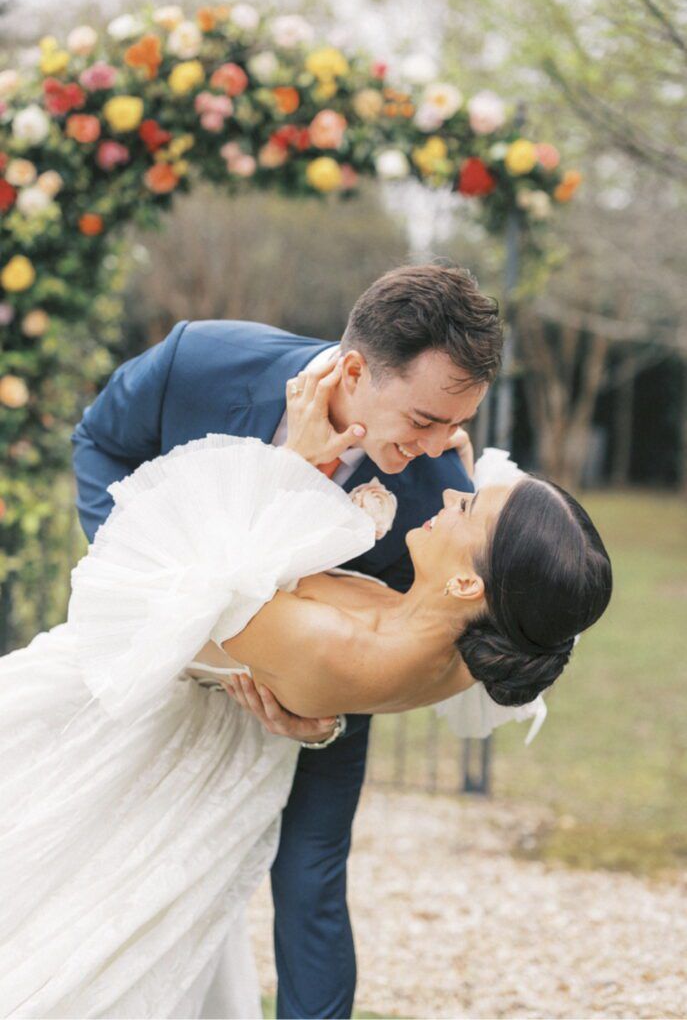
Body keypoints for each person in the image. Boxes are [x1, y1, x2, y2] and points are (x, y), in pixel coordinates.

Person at [0, 354, 612, 1017]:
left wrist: (293, 462)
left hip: (115, 719)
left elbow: (170, 592)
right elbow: (543, 577)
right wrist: (472, 481)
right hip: (208, 733)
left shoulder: (335, 644)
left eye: (464, 505)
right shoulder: (472, 647)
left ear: (468, 583)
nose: (447, 493)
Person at [70, 264, 502, 1020]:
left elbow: (394, 642)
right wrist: (147, 590)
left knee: (311, 881)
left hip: (317, 695)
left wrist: (322, 719)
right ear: (356, 372)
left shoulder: (435, 495)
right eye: (425, 419)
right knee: (124, 868)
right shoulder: (198, 361)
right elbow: (101, 441)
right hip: (157, 673)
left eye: (456, 423)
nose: (440, 445)